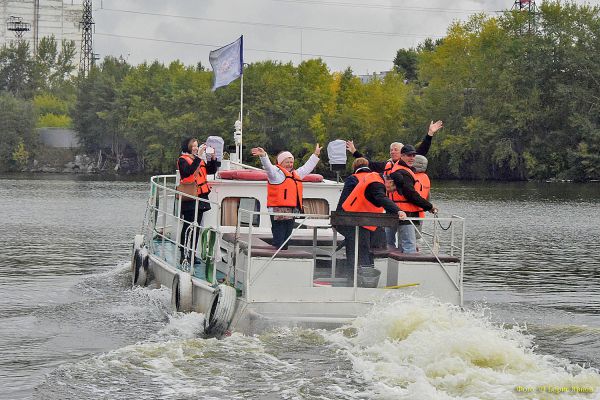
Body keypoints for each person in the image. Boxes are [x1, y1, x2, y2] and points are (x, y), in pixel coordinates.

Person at [345, 120, 442, 246]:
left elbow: (421, 151)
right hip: (391, 208)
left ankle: (405, 255)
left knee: (407, 241)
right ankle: (389, 255)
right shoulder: (387, 165)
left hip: (407, 209)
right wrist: (354, 152)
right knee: (388, 240)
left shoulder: (408, 164)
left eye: (395, 149)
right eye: (391, 150)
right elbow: (368, 163)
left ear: (402, 153)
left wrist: (430, 134)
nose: (392, 151)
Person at [335, 158, 406, 269]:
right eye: (395, 189)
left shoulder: (375, 178)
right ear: (390, 182)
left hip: (361, 221)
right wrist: (398, 210)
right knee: (361, 251)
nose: (393, 192)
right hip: (354, 221)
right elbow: (380, 197)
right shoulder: (376, 184)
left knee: (367, 248)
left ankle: (364, 273)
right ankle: (360, 278)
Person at [251, 145, 321, 250]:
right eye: (287, 162)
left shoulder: (296, 174)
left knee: (287, 237)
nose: (290, 164)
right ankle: (276, 255)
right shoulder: (275, 173)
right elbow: (268, 167)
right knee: (279, 238)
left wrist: (315, 155)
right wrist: (263, 156)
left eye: (291, 162)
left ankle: (283, 254)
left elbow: (307, 168)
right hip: (277, 210)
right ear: (280, 162)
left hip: (291, 210)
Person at [177, 137, 219, 262]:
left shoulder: (198, 159)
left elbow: (211, 171)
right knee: (188, 225)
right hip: (190, 196)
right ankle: (184, 254)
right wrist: (199, 157)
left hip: (201, 196)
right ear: (187, 147)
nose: (196, 148)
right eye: (193, 146)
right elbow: (188, 172)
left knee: (197, 226)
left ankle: (192, 253)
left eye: (197, 145)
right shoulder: (182, 160)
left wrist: (212, 158)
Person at [389, 145, 438, 253]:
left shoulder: (401, 169)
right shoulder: (403, 172)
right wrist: (429, 206)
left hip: (399, 212)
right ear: (402, 156)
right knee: (409, 245)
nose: (412, 158)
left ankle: (400, 264)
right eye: (409, 155)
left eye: (413, 155)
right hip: (405, 213)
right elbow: (410, 194)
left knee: (402, 244)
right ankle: (407, 267)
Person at [413, 155, 431, 239]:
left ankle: (410, 250)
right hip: (420, 213)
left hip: (410, 213)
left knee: (407, 237)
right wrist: (429, 207)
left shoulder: (411, 177)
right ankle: (415, 249)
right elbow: (428, 196)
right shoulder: (426, 178)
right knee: (415, 237)